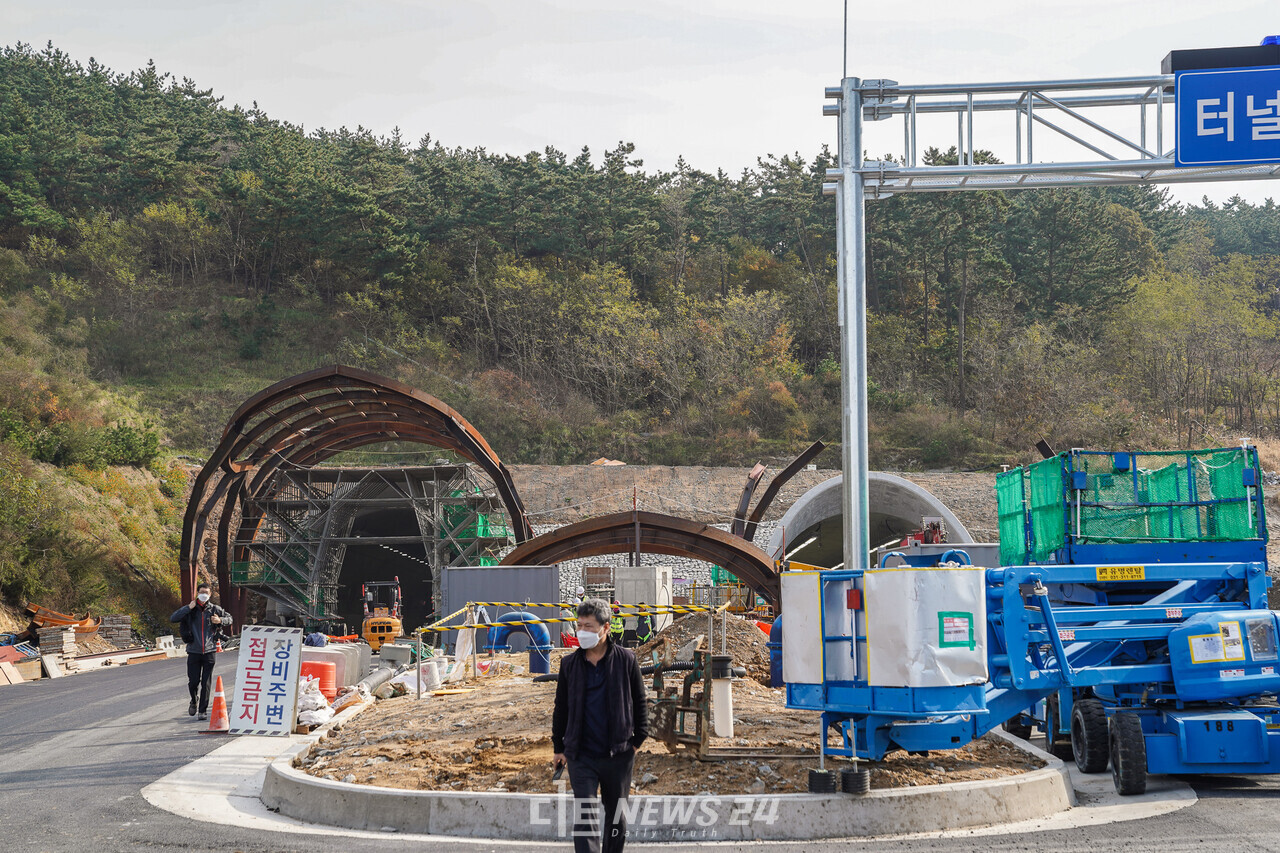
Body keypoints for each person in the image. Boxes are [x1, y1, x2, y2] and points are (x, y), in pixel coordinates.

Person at [552, 598, 648, 853]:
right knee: (585, 820)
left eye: (589, 626)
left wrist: (636, 743)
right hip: (581, 755)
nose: (582, 632)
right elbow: (561, 707)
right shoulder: (569, 664)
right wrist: (558, 747)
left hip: (618, 754)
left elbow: (640, 702)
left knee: (616, 819)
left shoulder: (626, 660)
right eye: (579, 625)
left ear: (606, 628)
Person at [170, 582, 232, 721]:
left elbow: (230, 619)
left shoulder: (215, 609)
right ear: (197, 593)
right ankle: (194, 700)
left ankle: (202, 710)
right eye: (202, 592)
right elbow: (173, 618)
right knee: (193, 682)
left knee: (206, 682)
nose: (204, 595)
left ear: (210, 595)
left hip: (210, 651)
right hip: (194, 651)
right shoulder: (190, 610)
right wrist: (188, 607)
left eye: (207, 593)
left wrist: (220, 619)